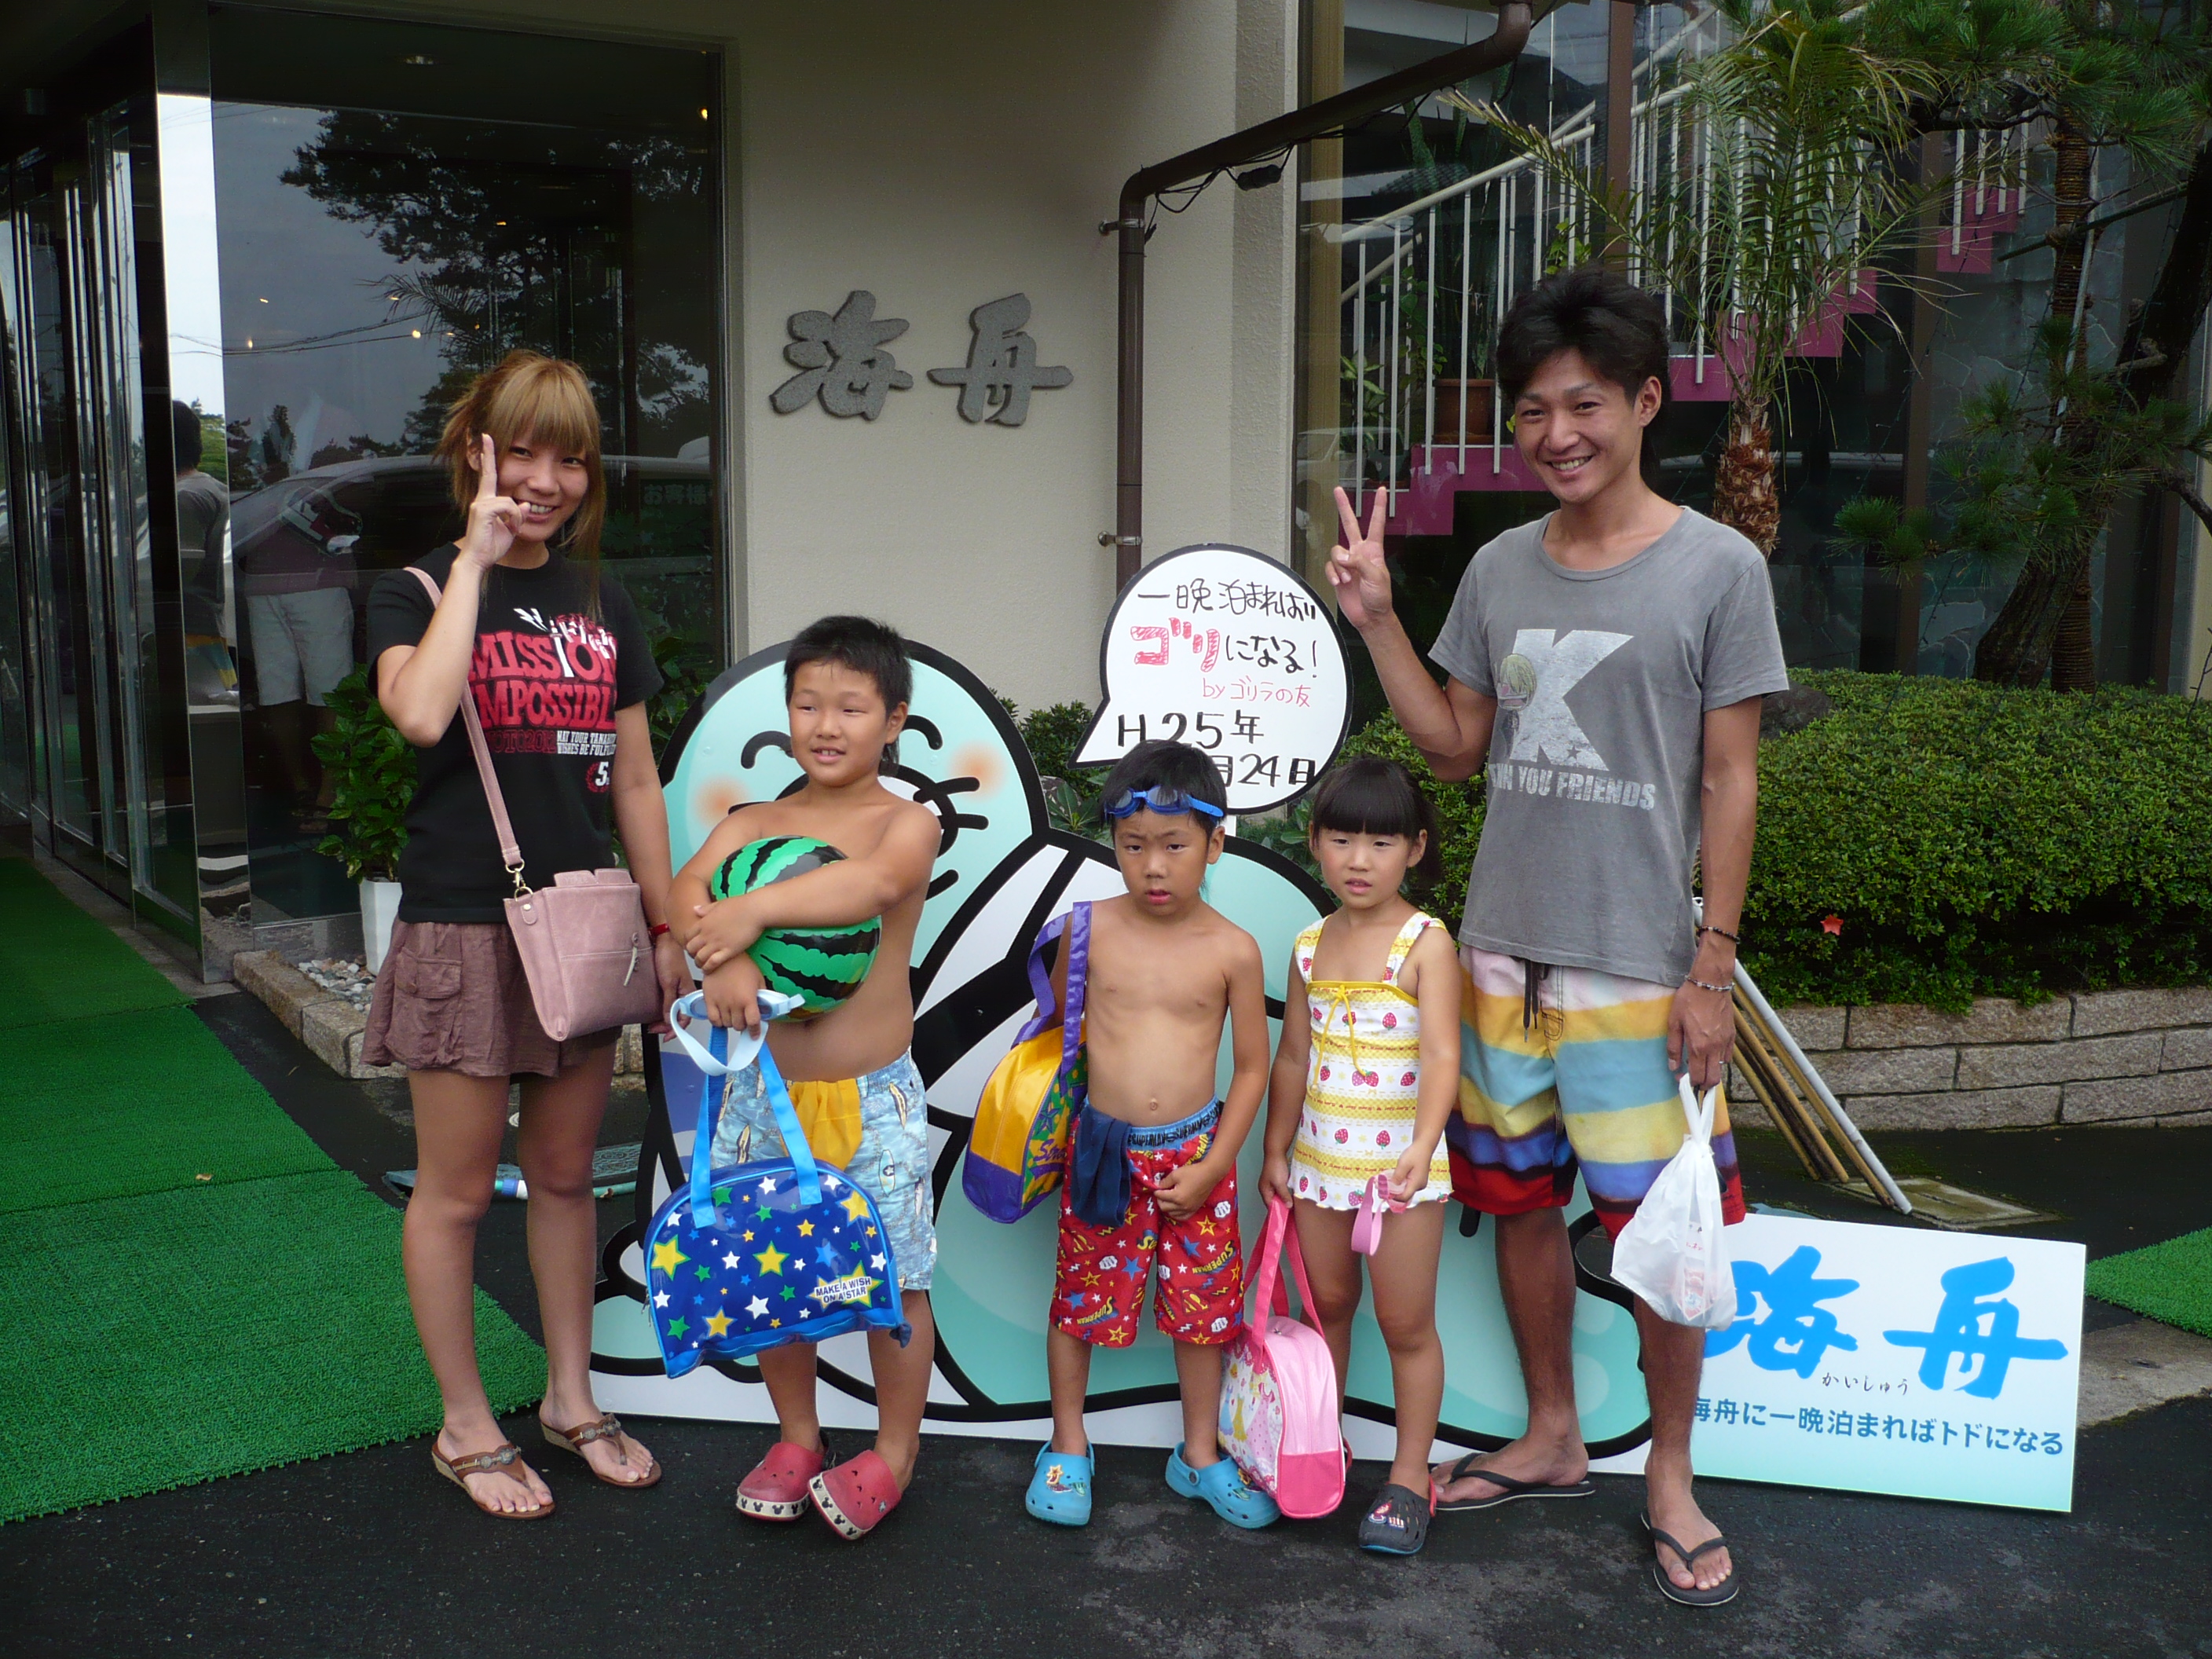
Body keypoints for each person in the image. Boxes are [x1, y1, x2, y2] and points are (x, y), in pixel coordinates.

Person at [1326, 266, 1788, 1606]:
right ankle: (1551, 1435)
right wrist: (1377, 620)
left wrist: (1713, 965)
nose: (1556, 434)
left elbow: (1731, 779)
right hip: (1498, 958)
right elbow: (1453, 748)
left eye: (1583, 404)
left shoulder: (1719, 567)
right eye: (1532, 410)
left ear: (1645, 401)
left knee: (1659, 1239)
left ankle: (1671, 1476)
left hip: (1640, 967)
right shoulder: (1497, 565)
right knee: (1520, 1208)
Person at [364, 350, 684, 1520]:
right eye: (525, 454)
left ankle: (568, 1398)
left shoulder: (603, 602)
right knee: (454, 1193)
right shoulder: (413, 587)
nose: (547, 480)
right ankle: (464, 1425)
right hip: (463, 925)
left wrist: (664, 921)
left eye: (571, 458)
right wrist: (475, 562)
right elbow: (419, 713)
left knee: (562, 1177)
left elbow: (636, 779)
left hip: (583, 923)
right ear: (477, 453)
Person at [671, 616, 943, 1543]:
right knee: (772, 1270)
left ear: (894, 720)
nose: (826, 725)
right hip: (762, 1096)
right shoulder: (751, 823)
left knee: (894, 1280)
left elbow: (866, 888)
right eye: (807, 705)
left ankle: (896, 1450)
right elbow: (685, 893)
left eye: (852, 708)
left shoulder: (906, 823)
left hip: (873, 1097)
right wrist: (728, 961)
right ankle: (797, 1435)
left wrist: (746, 915)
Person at [1023, 740, 1277, 1532]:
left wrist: (1215, 1163)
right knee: (1078, 1301)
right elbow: (1054, 1042)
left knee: (1204, 1313)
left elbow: (1252, 1070)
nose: (1153, 867)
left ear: (1215, 843)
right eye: (1133, 846)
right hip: (1102, 1152)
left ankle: (1198, 1453)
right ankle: (1068, 1444)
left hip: (1197, 1156)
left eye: (1173, 846)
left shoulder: (1234, 949)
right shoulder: (1087, 930)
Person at [1260, 756, 1459, 1555]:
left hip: (1400, 1175)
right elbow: (1292, 1057)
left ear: (1414, 849)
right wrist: (1275, 1150)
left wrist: (1422, 1147)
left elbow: (1442, 1055)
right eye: (1341, 839)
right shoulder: (1309, 945)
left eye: (1380, 843)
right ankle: (1318, 1451)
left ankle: (1409, 1477)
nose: (1358, 860)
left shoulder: (1426, 943)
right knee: (1324, 1315)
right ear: (1314, 842)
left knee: (1406, 1324)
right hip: (1316, 1168)